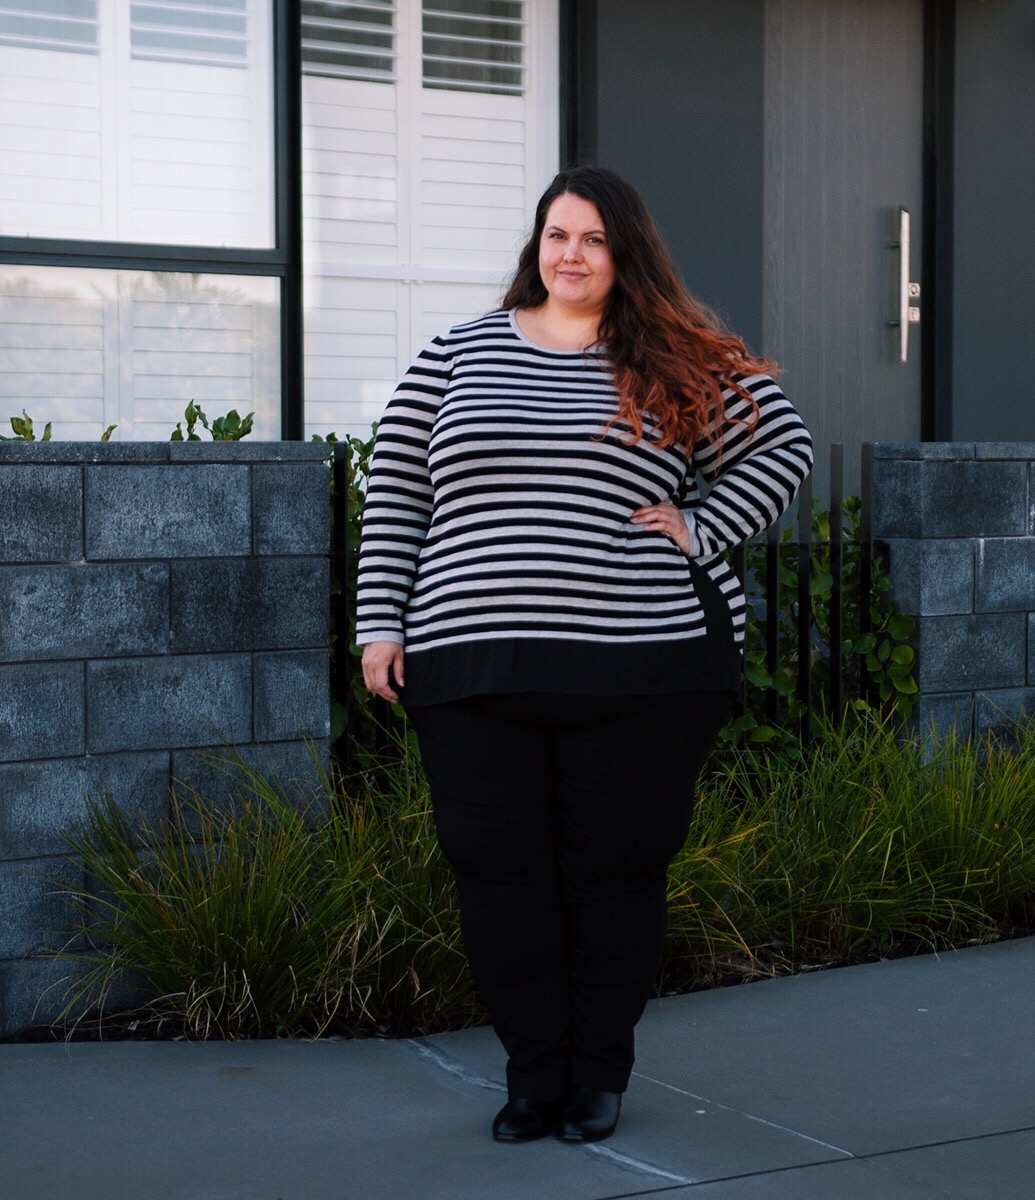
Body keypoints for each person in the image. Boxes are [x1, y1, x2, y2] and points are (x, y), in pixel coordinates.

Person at [356, 165, 813, 1144]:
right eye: (557, 234)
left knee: (614, 875)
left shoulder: (682, 358)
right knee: (498, 875)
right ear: (537, 245)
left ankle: (598, 1075)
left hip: (641, 666)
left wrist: (700, 524)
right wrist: (380, 625)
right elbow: (396, 493)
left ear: (626, 253)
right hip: (471, 666)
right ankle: (533, 1079)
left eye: (593, 239)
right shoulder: (457, 357)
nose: (571, 253)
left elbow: (783, 449)